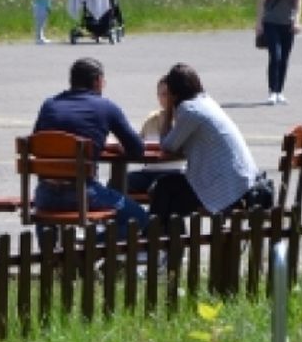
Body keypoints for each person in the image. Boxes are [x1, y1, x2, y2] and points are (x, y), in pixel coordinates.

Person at [32, 57, 149, 242]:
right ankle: (89, 249)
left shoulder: (49, 105)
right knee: (139, 218)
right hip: (83, 194)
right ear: (97, 81)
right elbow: (137, 149)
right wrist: (109, 147)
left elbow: (36, 143)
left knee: (49, 216)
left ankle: (51, 262)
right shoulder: (106, 107)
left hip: (45, 194)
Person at [148, 63, 261, 230]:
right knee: (168, 190)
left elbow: (168, 145)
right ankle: (169, 247)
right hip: (241, 181)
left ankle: (159, 244)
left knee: (164, 190)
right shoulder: (205, 101)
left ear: (174, 92)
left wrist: (169, 112)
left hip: (226, 188)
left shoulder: (189, 110)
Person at [256, 0, 302, 105]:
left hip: (288, 24)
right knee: (275, 56)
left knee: (284, 58)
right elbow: (261, 3)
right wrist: (259, 23)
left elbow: (298, 5)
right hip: (271, 23)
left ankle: (280, 91)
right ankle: (272, 91)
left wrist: (297, 21)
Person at [125, 76, 185, 196]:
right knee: (119, 182)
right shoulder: (151, 119)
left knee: (158, 188)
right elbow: (138, 144)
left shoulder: (184, 119)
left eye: (170, 94)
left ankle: (155, 215)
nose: (167, 98)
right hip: (148, 171)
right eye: (162, 94)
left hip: (175, 172)